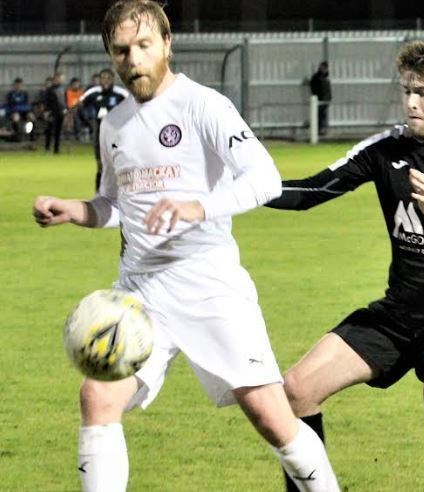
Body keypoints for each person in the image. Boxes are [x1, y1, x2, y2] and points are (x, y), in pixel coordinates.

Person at [32, 1, 339, 491]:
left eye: (143, 45)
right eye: (121, 50)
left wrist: (201, 206)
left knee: (271, 417)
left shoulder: (204, 105)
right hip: (140, 292)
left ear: (167, 44)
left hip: (208, 283)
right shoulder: (113, 125)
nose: (133, 58)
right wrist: (77, 210)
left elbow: (266, 180)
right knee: (98, 398)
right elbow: (116, 205)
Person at [267, 41, 424, 491]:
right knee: (297, 388)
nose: (411, 102)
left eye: (422, 92)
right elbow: (310, 194)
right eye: (406, 91)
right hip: (400, 309)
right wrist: (234, 189)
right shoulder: (386, 149)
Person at [78, 68, 128, 190]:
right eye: (102, 78)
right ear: (99, 80)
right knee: (100, 164)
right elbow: (79, 106)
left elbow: (133, 108)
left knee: (118, 163)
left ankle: (120, 191)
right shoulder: (93, 93)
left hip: (116, 133)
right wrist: (88, 122)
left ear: (113, 79)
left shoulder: (121, 94)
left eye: (108, 78)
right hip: (99, 133)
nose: (105, 81)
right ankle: (99, 192)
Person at [43, 72, 66, 154]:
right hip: (52, 112)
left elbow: (64, 101)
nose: (62, 80)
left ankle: (56, 149)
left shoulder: (63, 89)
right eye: (61, 78)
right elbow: (46, 102)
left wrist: (65, 109)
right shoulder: (49, 90)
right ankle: (47, 148)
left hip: (60, 112)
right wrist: (46, 111)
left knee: (58, 131)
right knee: (49, 130)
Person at [5, 77, 35, 141]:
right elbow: (9, 105)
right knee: (16, 118)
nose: (18, 86)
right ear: (14, 85)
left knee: (32, 117)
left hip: (24, 111)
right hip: (15, 111)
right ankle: (16, 135)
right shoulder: (11, 94)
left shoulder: (24, 93)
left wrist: (29, 110)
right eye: (17, 84)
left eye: (20, 85)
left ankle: (32, 134)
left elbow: (27, 104)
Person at [310, 61, 332, 135]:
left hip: (325, 99)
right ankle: (319, 129)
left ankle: (322, 129)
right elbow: (314, 88)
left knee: (323, 115)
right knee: (319, 115)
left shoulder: (325, 77)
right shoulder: (317, 77)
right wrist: (315, 96)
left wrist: (329, 98)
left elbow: (327, 89)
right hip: (319, 99)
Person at [65, 77, 86, 141]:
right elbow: (69, 104)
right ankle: (77, 134)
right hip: (72, 110)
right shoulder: (69, 92)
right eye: (75, 84)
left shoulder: (81, 92)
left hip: (81, 109)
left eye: (77, 84)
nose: (76, 85)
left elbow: (82, 102)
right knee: (75, 116)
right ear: (71, 85)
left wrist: (78, 104)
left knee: (83, 114)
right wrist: (76, 104)